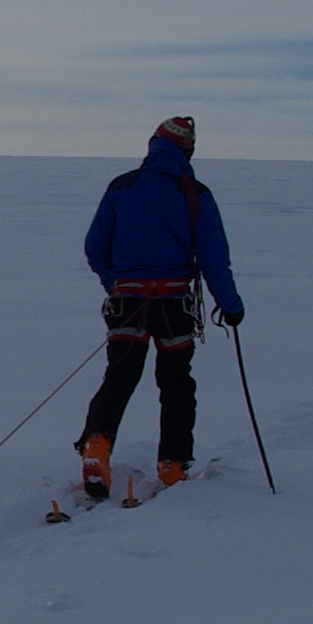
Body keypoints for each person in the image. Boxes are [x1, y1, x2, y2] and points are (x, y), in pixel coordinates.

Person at [78, 114, 241, 497]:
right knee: (176, 382)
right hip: (174, 305)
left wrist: (116, 284)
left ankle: (96, 446)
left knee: (119, 377)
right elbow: (214, 258)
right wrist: (230, 305)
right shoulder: (196, 194)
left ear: (154, 144)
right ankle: (172, 465)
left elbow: (95, 247)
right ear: (188, 150)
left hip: (127, 301)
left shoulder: (122, 187)